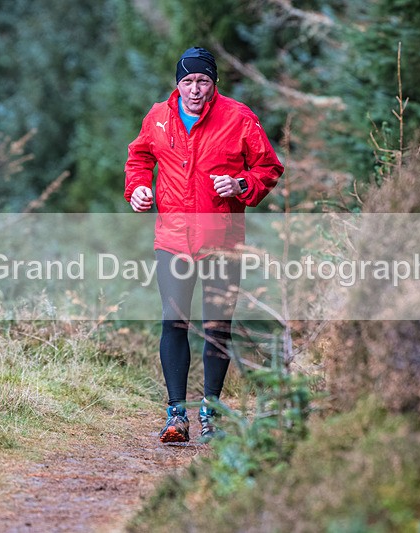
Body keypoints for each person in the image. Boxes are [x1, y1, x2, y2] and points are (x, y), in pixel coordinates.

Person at [124, 46, 284, 443]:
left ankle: (211, 412)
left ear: (214, 83)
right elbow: (139, 157)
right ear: (177, 83)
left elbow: (269, 167)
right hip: (173, 239)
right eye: (188, 81)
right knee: (173, 321)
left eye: (203, 81)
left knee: (217, 327)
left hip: (221, 240)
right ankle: (176, 415)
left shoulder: (239, 118)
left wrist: (241, 184)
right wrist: (139, 188)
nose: (195, 89)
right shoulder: (159, 117)